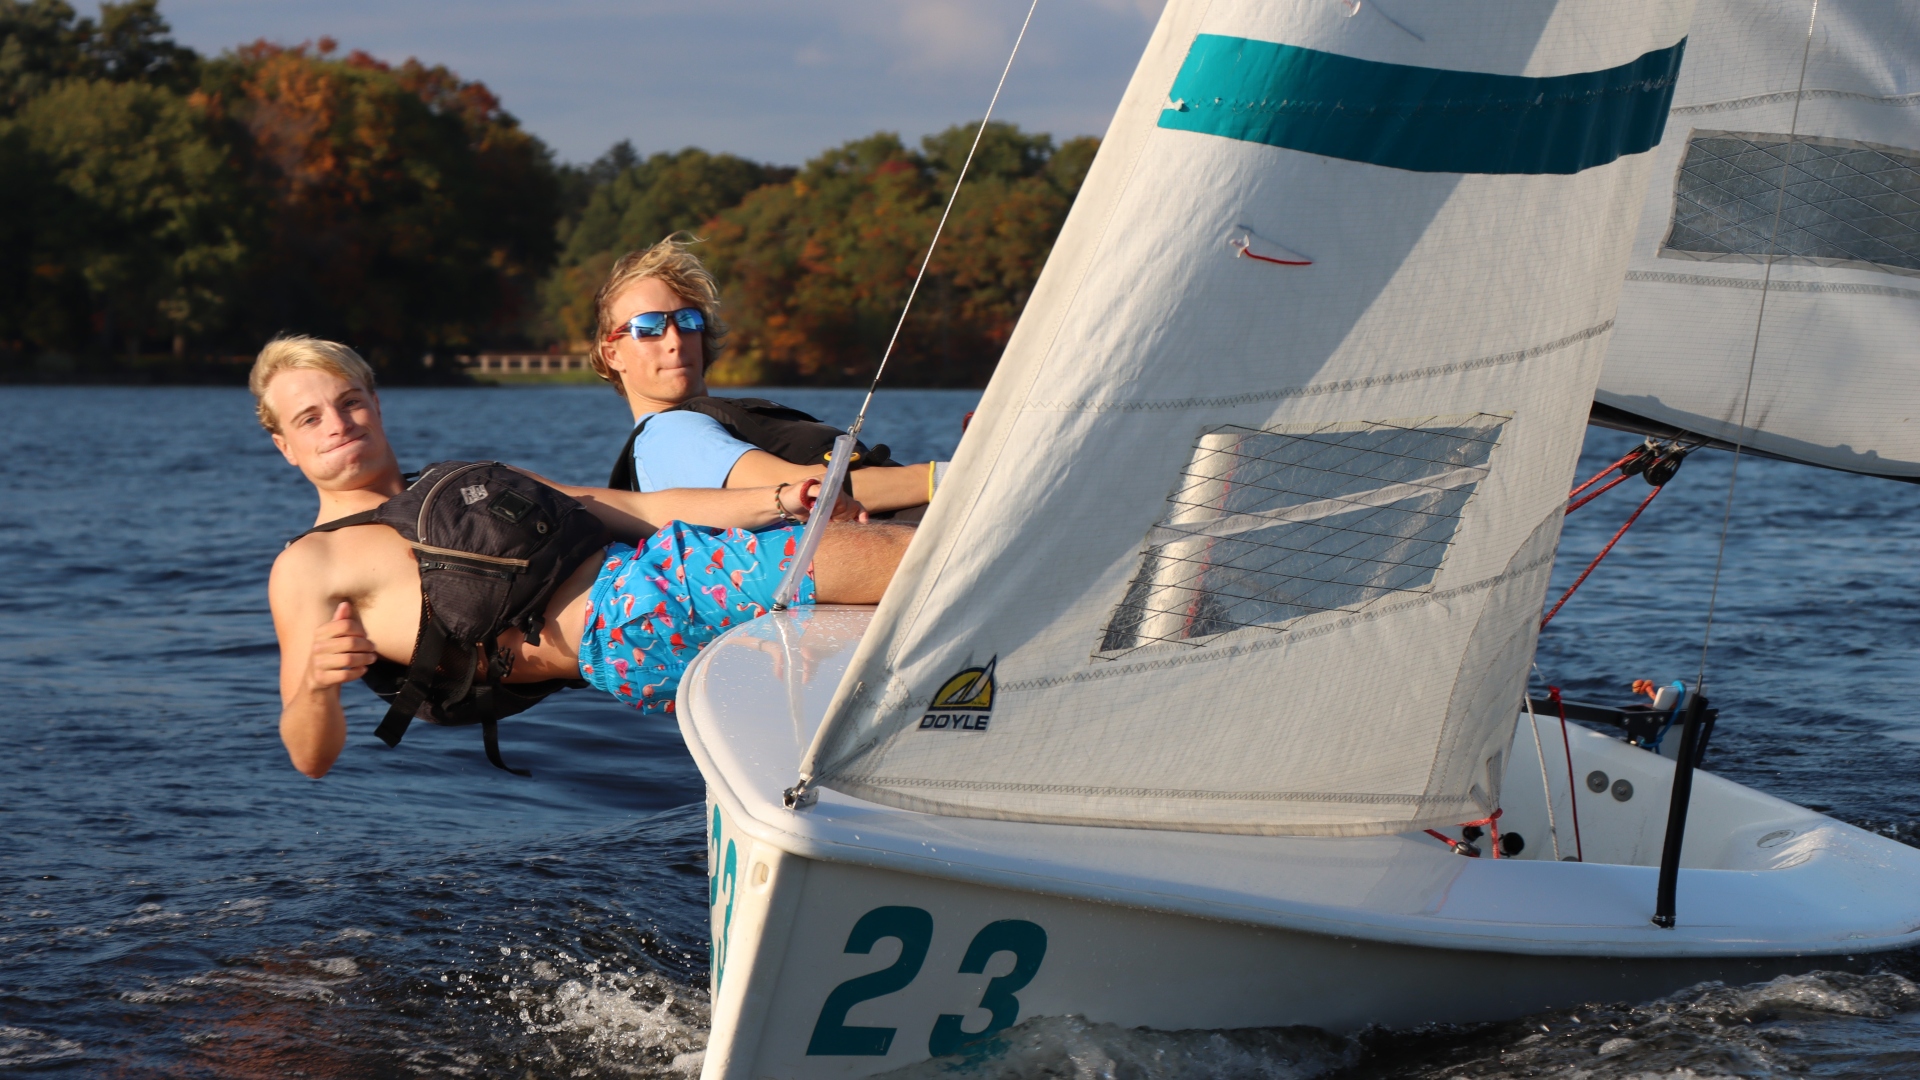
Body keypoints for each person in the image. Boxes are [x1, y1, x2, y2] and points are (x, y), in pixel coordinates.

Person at [256, 335, 911, 779]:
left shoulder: (460, 480)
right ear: (284, 446)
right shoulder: (310, 565)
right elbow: (308, 757)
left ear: (374, 402)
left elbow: (646, 510)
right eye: (309, 419)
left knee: (878, 565)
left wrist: (781, 497)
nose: (337, 424)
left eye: (348, 402)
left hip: (665, 572)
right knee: (885, 557)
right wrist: (317, 685)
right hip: (622, 620)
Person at [590, 236, 946, 512]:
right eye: (648, 327)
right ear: (612, 354)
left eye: (687, 321)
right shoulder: (667, 433)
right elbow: (803, 489)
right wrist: (948, 477)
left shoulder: (714, 423)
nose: (675, 340)